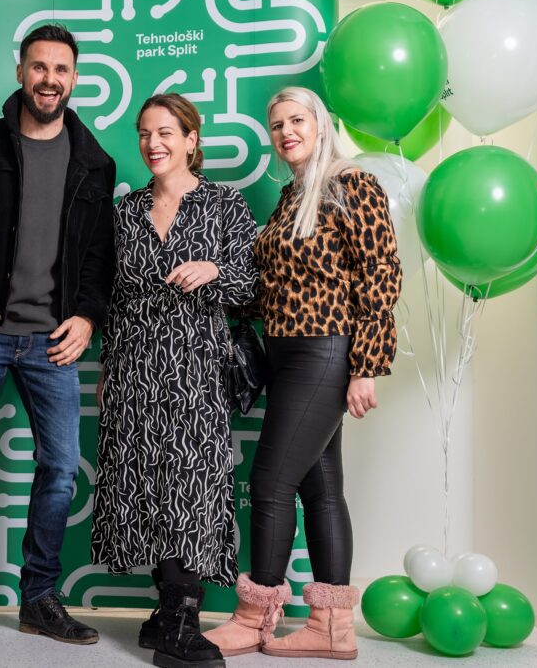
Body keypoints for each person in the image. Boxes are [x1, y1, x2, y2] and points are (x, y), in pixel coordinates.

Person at [0, 24, 115, 661]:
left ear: (74, 79)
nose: (49, 79)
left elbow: (99, 256)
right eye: (39, 67)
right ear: (20, 72)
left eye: (61, 69)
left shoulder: (95, 161)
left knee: (61, 467)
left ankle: (38, 599)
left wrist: (87, 317)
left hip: (52, 340)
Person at [204, 86, 401, 661]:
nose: (286, 132)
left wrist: (366, 367)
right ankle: (332, 629)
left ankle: (252, 619)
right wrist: (215, 280)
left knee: (270, 483)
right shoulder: (292, 196)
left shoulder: (352, 183)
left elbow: (381, 274)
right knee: (321, 489)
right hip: (286, 353)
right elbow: (278, 285)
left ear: (319, 125)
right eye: (277, 125)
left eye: (296, 120)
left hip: (323, 352)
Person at [91, 93, 258, 668]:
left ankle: (182, 619)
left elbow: (250, 286)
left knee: (192, 485)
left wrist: (214, 269)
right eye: (145, 133)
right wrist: (108, 367)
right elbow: (114, 299)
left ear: (191, 139)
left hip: (196, 367)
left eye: (166, 132)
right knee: (147, 485)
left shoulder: (224, 203)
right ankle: (167, 613)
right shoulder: (126, 211)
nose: (153, 143)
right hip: (135, 365)